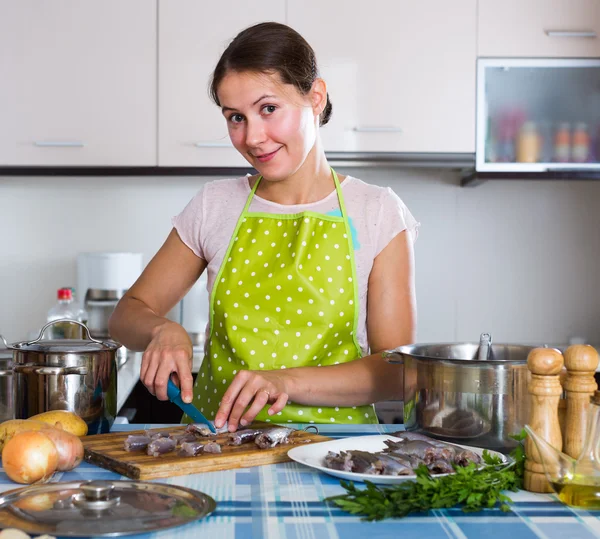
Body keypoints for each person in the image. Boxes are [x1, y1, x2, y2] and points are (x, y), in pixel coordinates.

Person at [108, 22, 419, 432]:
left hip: (333, 449)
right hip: (216, 445)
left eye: (268, 109)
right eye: (236, 117)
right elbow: (126, 315)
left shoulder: (377, 211)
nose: (252, 137)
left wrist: (284, 382)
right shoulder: (214, 205)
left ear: (315, 97)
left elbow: (400, 372)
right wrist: (161, 329)